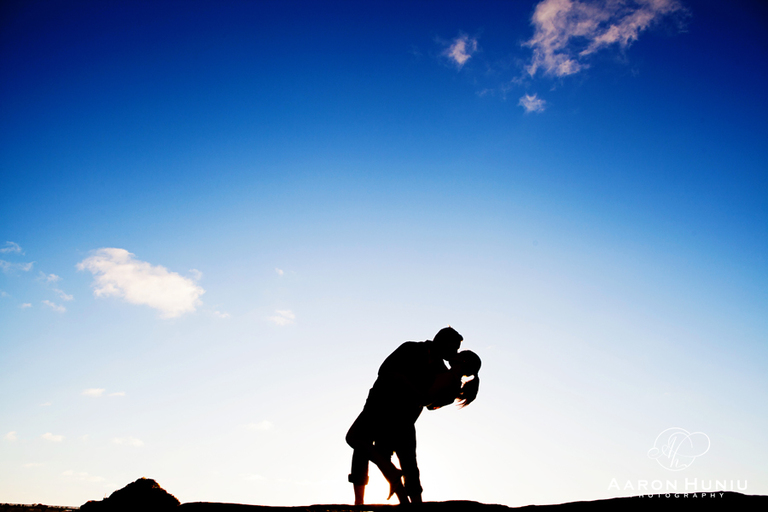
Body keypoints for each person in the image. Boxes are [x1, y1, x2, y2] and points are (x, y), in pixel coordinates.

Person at [345, 327, 481, 505]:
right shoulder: (411, 349)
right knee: (364, 447)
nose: (454, 352)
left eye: (457, 350)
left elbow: (429, 401)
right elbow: (385, 371)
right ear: (441, 342)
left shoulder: (442, 370)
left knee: (398, 458)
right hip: (380, 403)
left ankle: (409, 501)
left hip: (404, 415)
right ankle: (361, 502)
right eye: (453, 347)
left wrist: (428, 396)